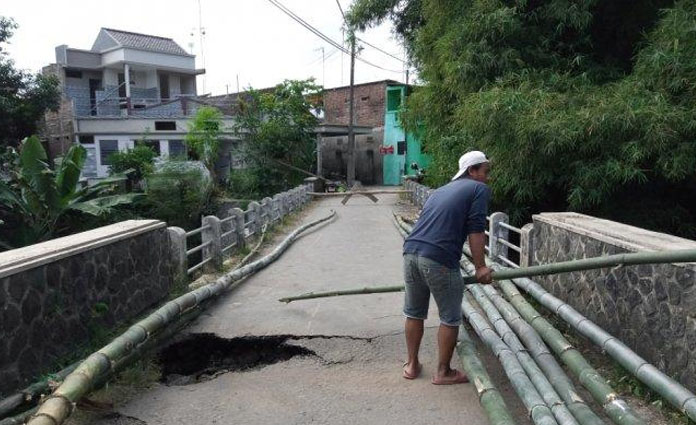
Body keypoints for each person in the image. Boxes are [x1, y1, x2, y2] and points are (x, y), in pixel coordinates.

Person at [401, 150, 493, 384]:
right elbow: (476, 229)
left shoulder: (439, 191)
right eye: (485, 171)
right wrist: (480, 267)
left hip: (411, 252)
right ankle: (443, 372)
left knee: (414, 312)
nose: (487, 177)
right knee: (450, 317)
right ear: (472, 171)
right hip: (439, 258)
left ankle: (411, 365)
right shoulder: (478, 189)